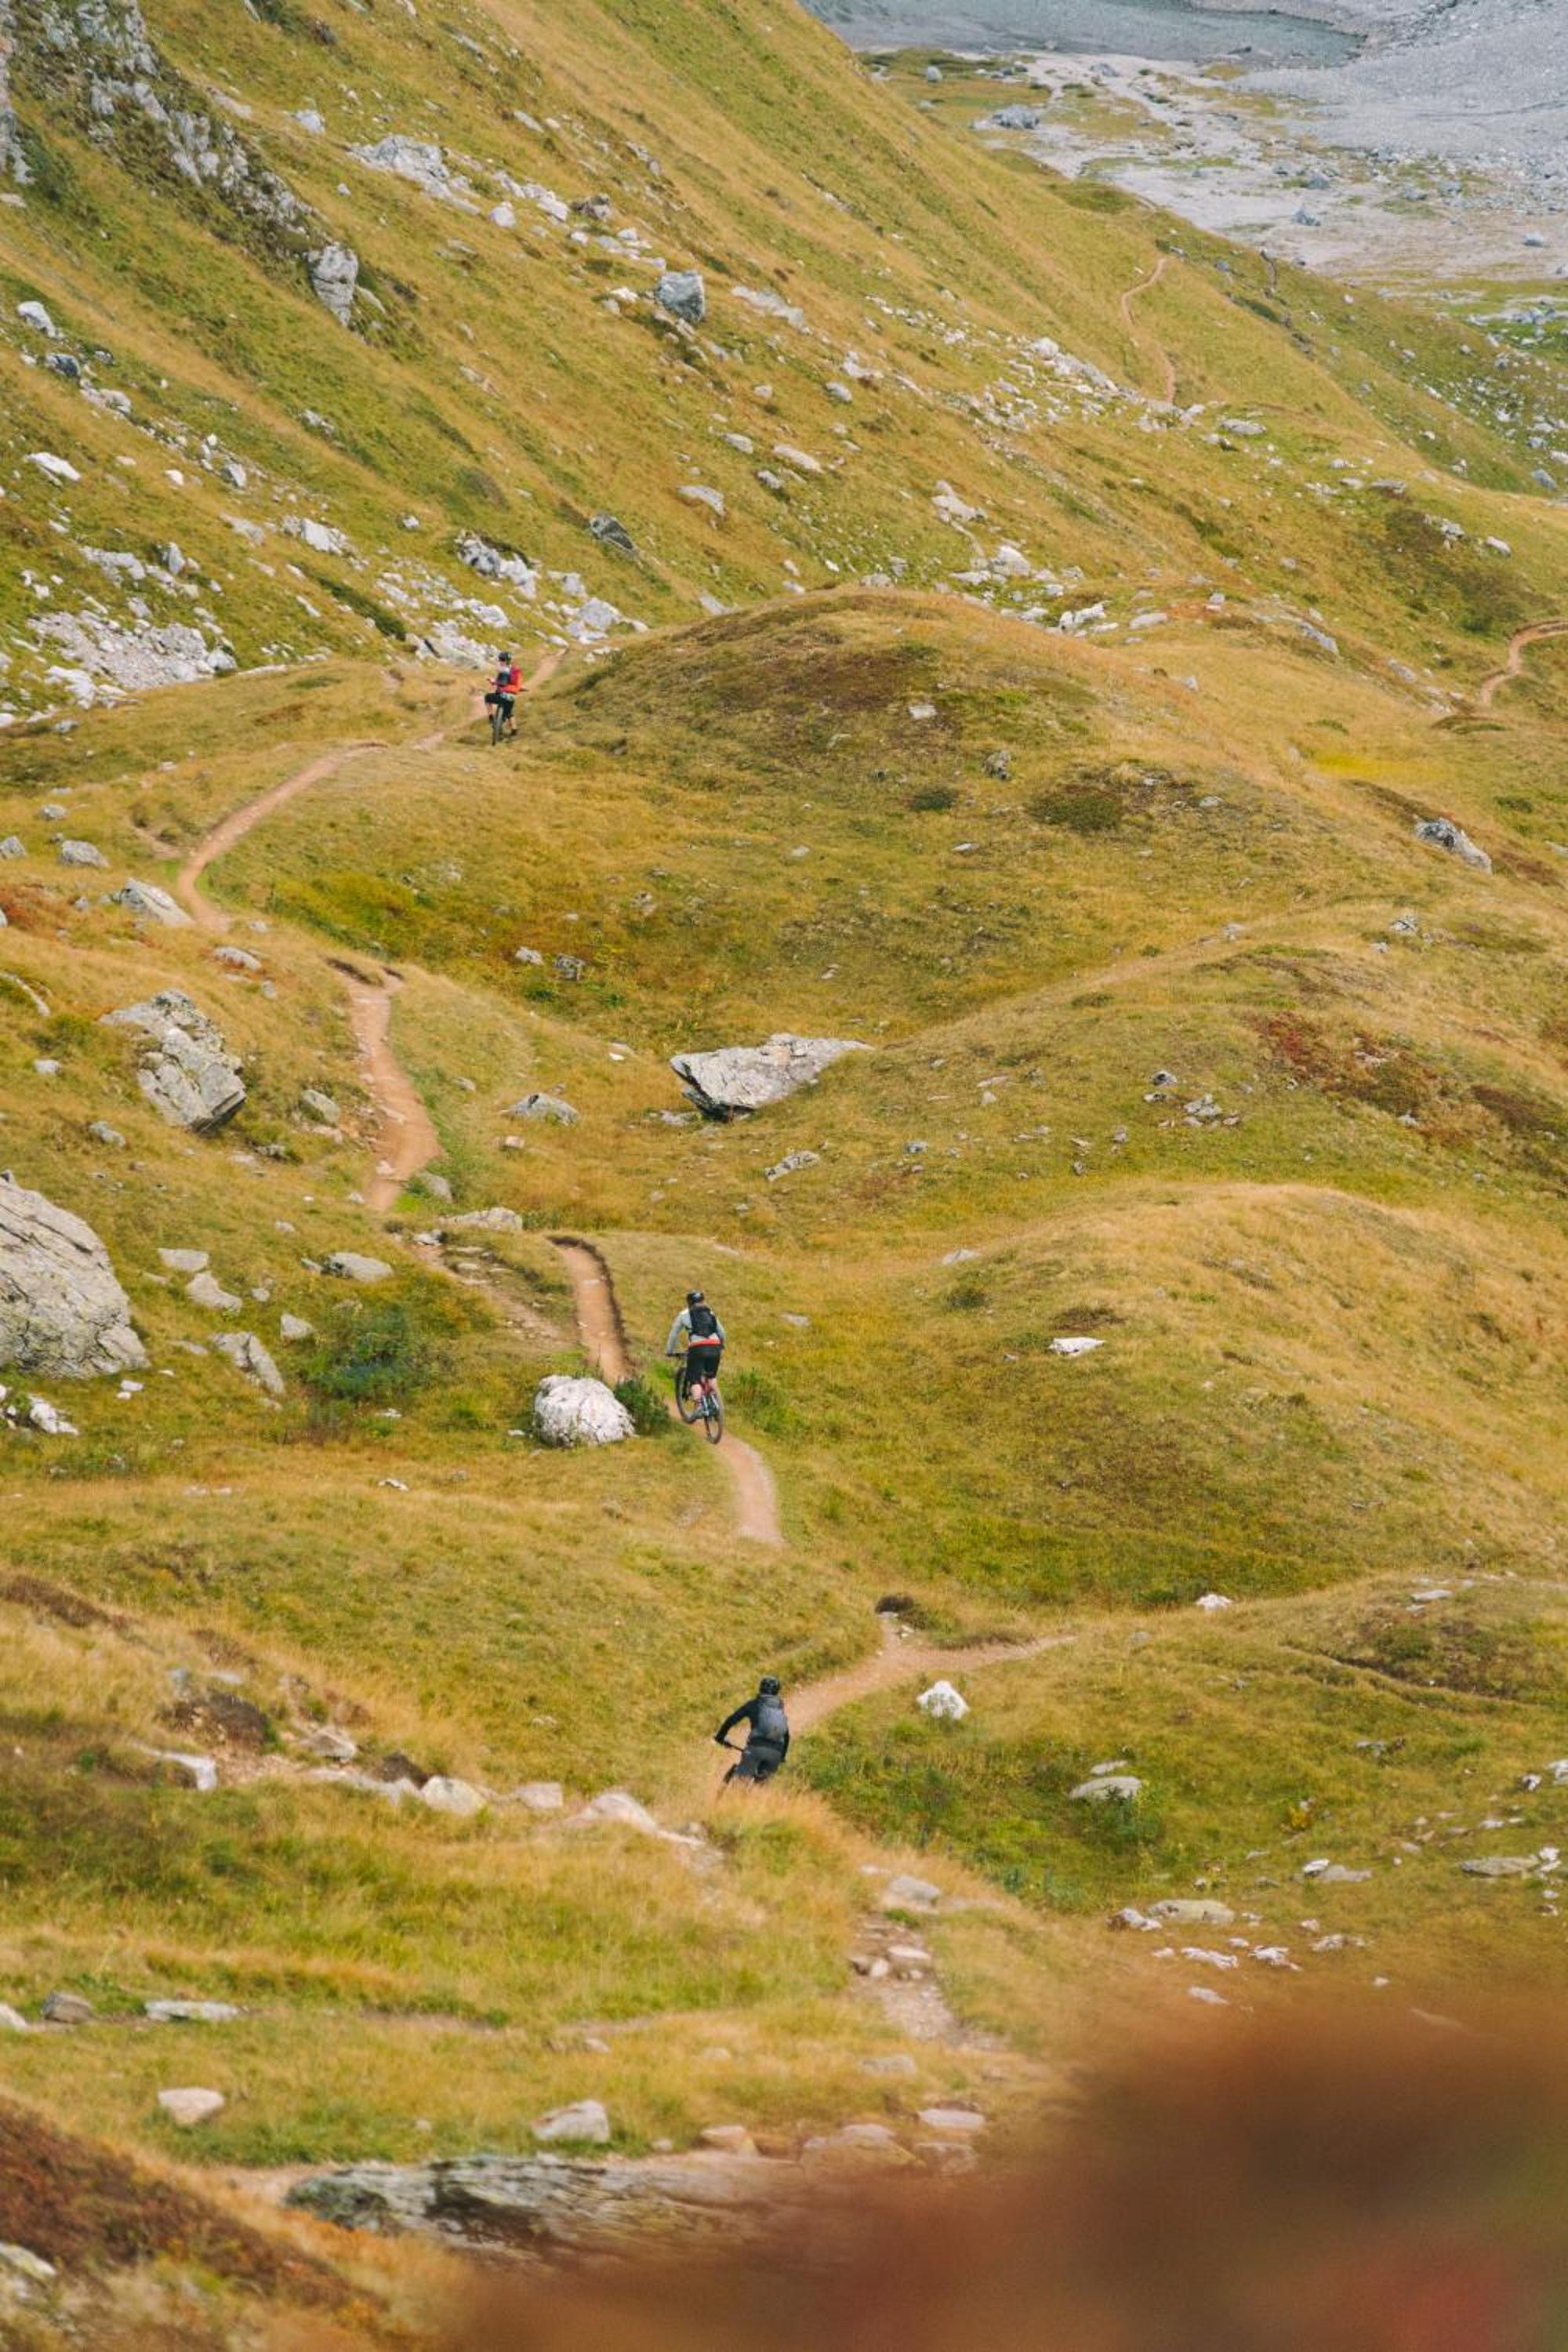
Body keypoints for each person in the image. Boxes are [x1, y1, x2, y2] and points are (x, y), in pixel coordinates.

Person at [714, 1675, 789, 1784]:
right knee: (760, 1789)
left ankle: (731, 1794)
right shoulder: (779, 1710)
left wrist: (720, 1737)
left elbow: (732, 1719)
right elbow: (786, 1736)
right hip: (776, 1753)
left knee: (739, 1784)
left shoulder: (754, 1704)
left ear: (760, 1688)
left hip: (755, 1749)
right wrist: (782, 1756)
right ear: (777, 1692)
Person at [666, 1288, 725, 1415]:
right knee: (711, 1376)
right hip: (715, 1346)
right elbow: (722, 1332)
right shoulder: (710, 1312)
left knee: (694, 1379)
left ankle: (699, 1406)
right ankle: (715, 1401)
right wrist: (721, 1345)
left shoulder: (684, 1314)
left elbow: (674, 1333)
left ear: (689, 1302)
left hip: (698, 1348)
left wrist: (670, 1351)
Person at [485, 653, 522, 738]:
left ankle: (491, 718)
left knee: (487, 697)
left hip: (502, 696)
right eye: (500, 659)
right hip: (511, 698)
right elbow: (516, 684)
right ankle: (514, 732)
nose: (500, 661)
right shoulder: (514, 671)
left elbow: (502, 683)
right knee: (509, 713)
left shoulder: (504, 671)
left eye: (501, 659)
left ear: (505, 661)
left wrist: (493, 681)